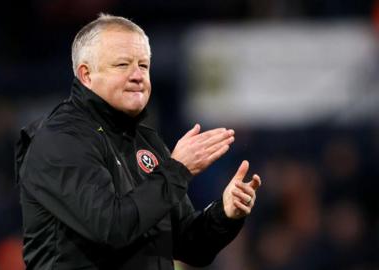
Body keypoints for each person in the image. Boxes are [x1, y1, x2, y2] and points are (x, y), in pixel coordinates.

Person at [15, 13, 261, 270]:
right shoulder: (60, 140)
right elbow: (111, 228)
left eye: (143, 65)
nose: (137, 75)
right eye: (122, 65)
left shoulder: (147, 142)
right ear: (86, 75)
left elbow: (190, 246)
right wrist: (177, 170)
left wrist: (225, 213)